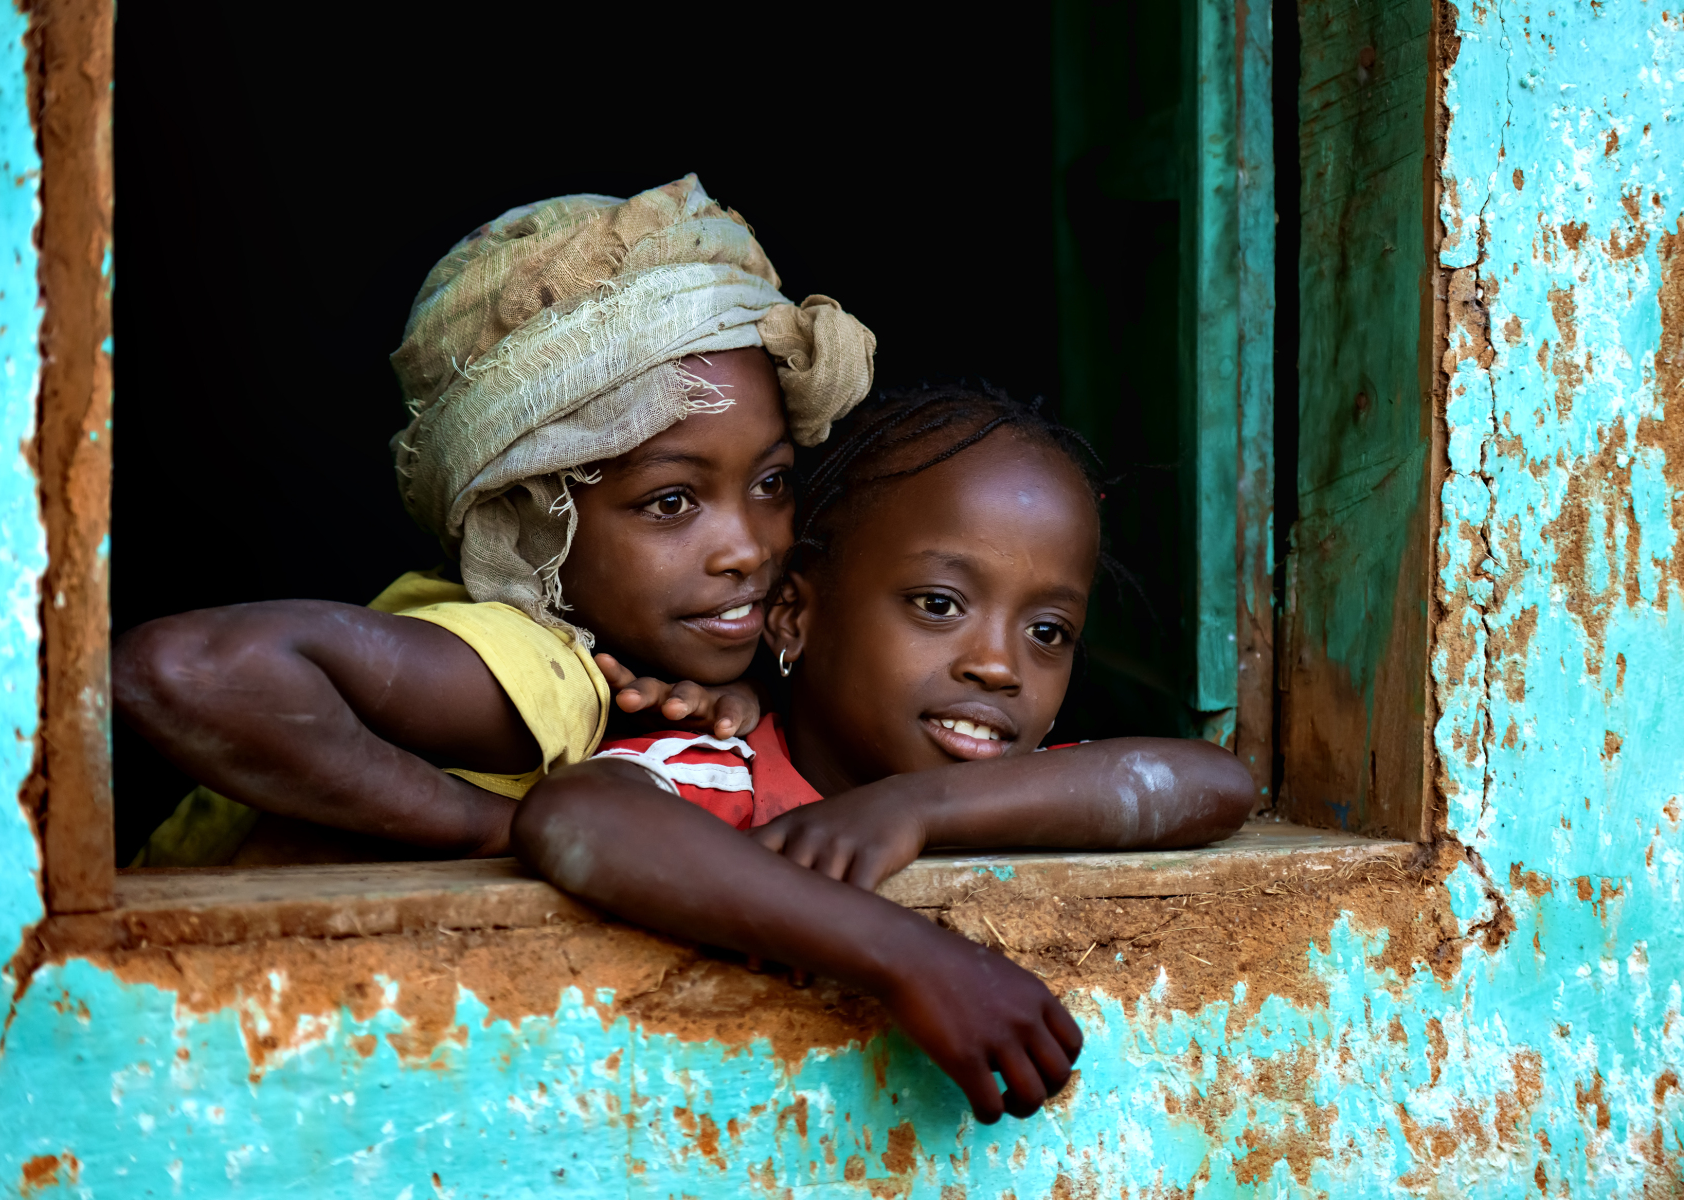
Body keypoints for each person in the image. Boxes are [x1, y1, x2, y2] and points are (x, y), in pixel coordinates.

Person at [511, 384, 1256, 1122]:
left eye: (1048, 632)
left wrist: (918, 807)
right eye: (938, 604)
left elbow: (1215, 782)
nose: (999, 665)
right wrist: (911, 958)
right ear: (795, 614)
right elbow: (575, 811)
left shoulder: (1028, 793)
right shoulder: (726, 774)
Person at [113, 176, 875, 865]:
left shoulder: (623, 671)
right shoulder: (516, 663)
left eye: (772, 481)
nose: (748, 547)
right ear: (527, 520)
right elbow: (176, 670)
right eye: (670, 501)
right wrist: (504, 832)